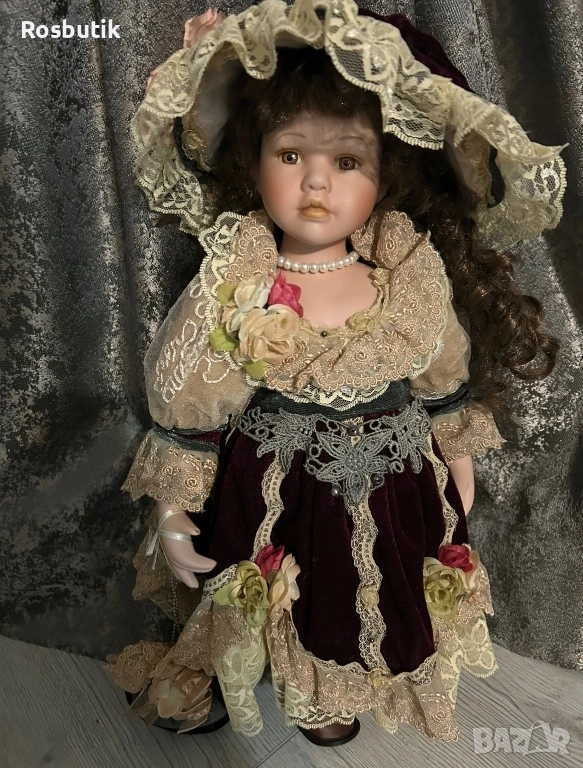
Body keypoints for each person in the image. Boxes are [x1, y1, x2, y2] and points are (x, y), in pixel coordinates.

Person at [107, 0, 565, 747]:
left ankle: (346, 685)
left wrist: (456, 461)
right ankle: (310, 692)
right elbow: (192, 396)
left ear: (386, 174)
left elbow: (441, 375)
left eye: (347, 162)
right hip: (276, 486)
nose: (316, 183)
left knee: (375, 586)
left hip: (396, 479)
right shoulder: (241, 276)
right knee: (292, 591)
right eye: (291, 156)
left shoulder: (406, 272)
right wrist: (172, 509)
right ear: (254, 161)